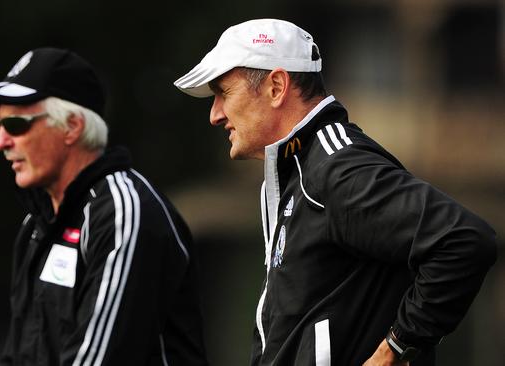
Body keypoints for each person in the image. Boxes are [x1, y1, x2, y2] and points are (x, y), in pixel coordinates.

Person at [174, 19, 497, 366]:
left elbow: (464, 240)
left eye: (223, 92)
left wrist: (397, 348)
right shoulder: (300, 171)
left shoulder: (337, 169)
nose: (215, 115)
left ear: (276, 87)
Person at [0, 47, 209, 366]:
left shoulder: (123, 212)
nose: (1, 142)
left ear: (72, 127)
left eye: (16, 125)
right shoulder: (35, 226)